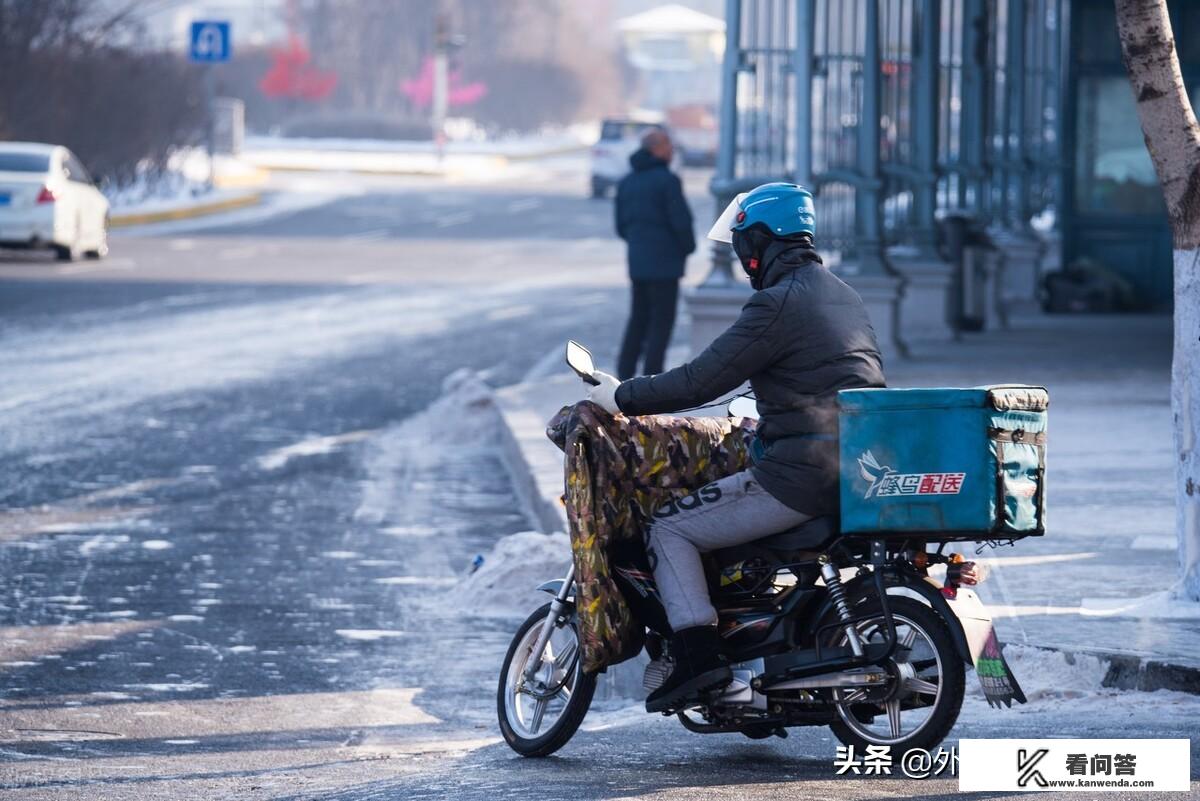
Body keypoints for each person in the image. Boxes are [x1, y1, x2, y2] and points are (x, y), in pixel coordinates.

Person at [586, 182, 887, 713]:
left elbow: (702, 379)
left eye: (744, 242)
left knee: (669, 527)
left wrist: (621, 397)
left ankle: (700, 661)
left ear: (764, 240)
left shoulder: (777, 303)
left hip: (799, 475)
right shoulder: (842, 293)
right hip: (853, 467)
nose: (743, 256)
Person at [614, 128, 695, 379]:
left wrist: (640, 246)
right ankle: (652, 379)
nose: (672, 151)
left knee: (638, 319)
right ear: (657, 149)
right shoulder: (667, 180)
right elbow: (680, 221)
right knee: (661, 323)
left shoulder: (628, 181)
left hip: (638, 263)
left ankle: (624, 375)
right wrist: (686, 247)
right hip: (666, 265)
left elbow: (621, 226)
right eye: (668, 145)